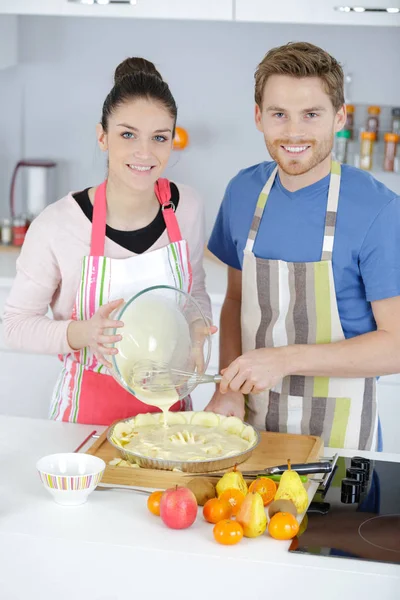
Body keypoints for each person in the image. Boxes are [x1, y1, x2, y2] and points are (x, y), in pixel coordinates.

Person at [205, 42, 400, 451]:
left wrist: (284, 359)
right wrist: (228, 387)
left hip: (340, 445)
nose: (294, 132)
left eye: (311, 115)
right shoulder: (242, 192)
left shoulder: (379, 209)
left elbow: (396, 344)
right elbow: (235, 301)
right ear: (259, 117)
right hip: (248, 434)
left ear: (339, 118)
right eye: (279, 114)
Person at [4, 57, 212, 426]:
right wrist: (83, 333)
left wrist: (197, 330)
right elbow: (13, 326)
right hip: (85, 417)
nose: (144, 153)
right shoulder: (58, 224)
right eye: (127, 134)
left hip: (170, 412)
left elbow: (194, 292)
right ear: (102, 136)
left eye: (159, 138)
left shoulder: (188, 207)